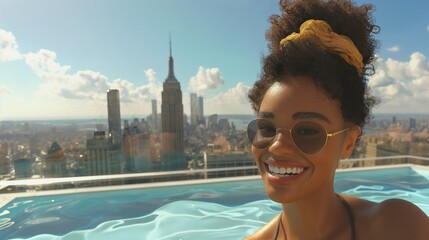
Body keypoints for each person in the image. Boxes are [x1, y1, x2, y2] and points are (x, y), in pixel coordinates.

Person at [245, 0, 429, 239]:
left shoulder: (398, 227)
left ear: (349, 142)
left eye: (308, 131)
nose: (277, 145)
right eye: (266, 127)